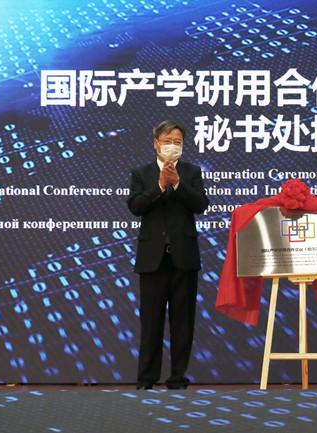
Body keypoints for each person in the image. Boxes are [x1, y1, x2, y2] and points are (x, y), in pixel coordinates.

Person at [127, 120, 210, 390]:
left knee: (182, 323)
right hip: (152, 259)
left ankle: (177, 379)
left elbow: (201, 204)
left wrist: (178, 184)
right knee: (151, 324)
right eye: (167, 141)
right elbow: (136, 206)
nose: (172, 146)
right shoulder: (142, 173)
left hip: (183, 257)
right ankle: (146, 379)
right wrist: (161, 185)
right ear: (156, 144)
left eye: (177, 142)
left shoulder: (191, 172)